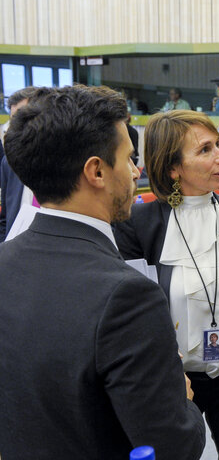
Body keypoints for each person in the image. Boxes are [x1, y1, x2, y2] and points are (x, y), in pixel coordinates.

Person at [0, 84, 205, 459]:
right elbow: (174, 446)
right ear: (96, 171)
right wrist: (183, 397)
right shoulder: (127, 296)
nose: (135, 170)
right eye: (128, 158)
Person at [113, 110, 219, 460]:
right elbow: (132, 322)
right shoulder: (137, 226)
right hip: (172, 385)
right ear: (173, 168)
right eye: (205, 150)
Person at [0, 86, 50, 241]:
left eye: (23, 118)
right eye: (14, 120)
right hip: (16, 252)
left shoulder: (70, 161)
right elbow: (5, 219)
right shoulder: (9, 163)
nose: (15, 128)